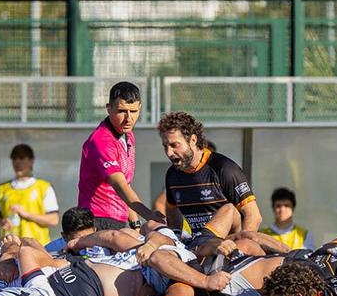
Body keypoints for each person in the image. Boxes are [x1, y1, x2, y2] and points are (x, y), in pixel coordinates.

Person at [159, 111, 261, 242]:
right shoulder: (172, 174)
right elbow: (172, 213)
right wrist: (178, 240)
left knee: (229, 210)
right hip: (197, 247)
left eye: (174, 145)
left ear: (193, 140)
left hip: (227, 246)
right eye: (165, 146)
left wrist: (243, 247)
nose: (169, 153)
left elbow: (253, 215)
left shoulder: (224, 168)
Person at [78, 81, 153, 231]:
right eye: (121, 111)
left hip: (117, 220)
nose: (128, 118)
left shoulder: (128, 136)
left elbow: (126, 184)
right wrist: (150, 215)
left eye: (133, 111)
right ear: (108, 108)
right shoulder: (101, 140)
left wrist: (135, 224)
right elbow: (119, 184)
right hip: (96, 220)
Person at [0, 144, 59, 241]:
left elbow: (54, 219)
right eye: (14, 158)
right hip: (10, 247)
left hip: (38, 247)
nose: (17, 162)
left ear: (31, 161)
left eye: (22, 158)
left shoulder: (44, 187)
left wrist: (27, 215)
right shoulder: (2, 189)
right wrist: (2, 222)